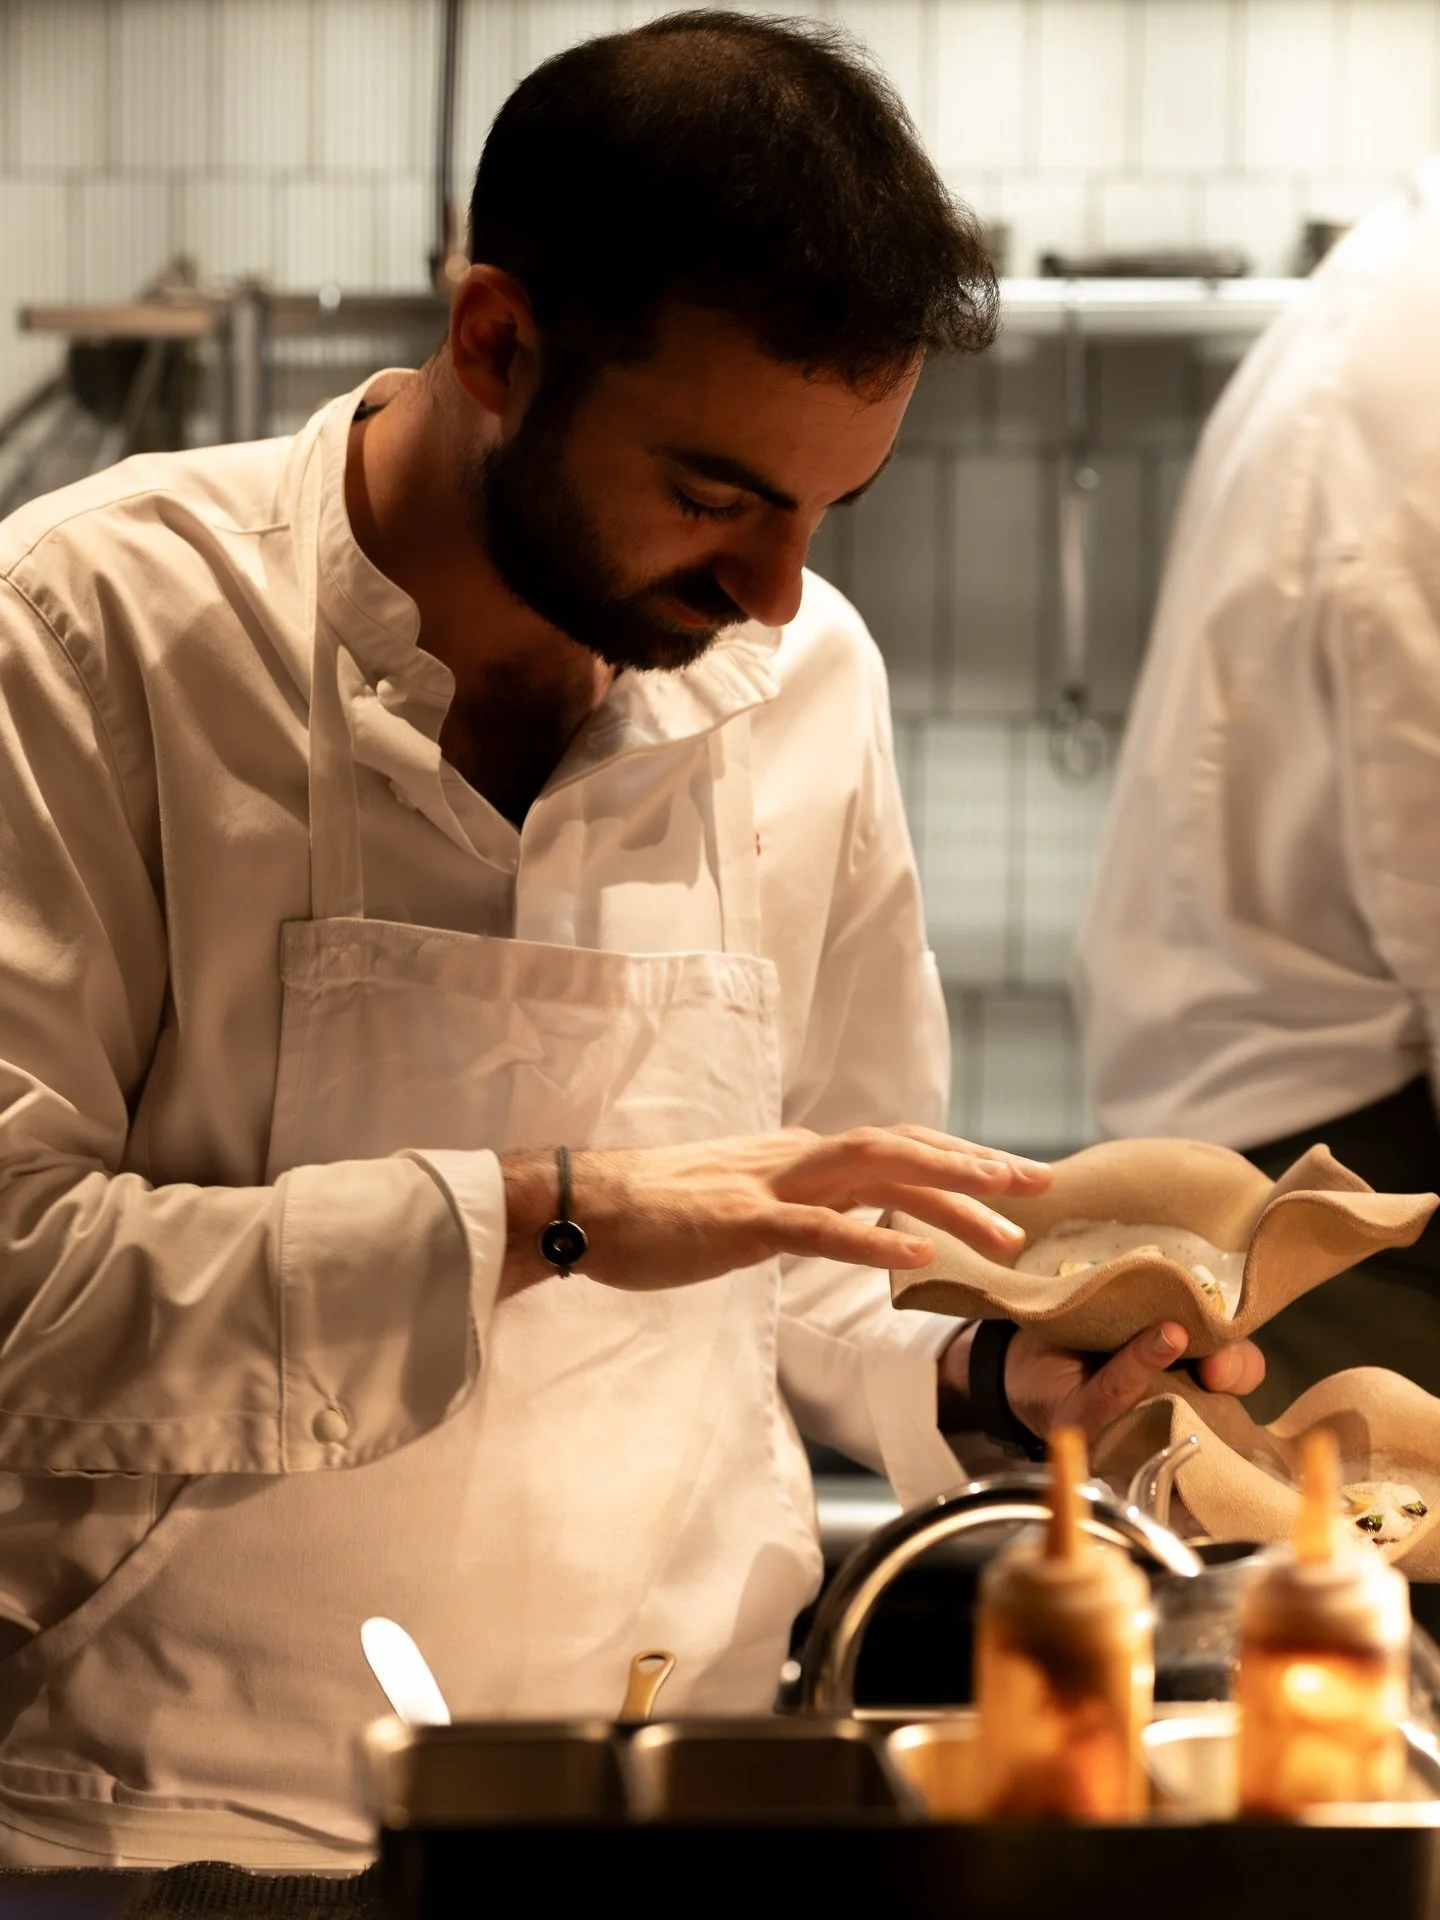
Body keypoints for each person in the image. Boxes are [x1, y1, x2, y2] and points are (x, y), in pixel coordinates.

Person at [0, 12, 1261, 1868]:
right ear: (499, 341)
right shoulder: (88, 633)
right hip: (188, 1829)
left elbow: (828, 1252)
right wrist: (542, 1211)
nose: (776, 589)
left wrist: (992, 1367)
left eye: (831, 508)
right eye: (717, 493)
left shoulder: (805, 674)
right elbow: (23, 1295)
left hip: (667, 1798)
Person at [1075, 161, 1440, 1425]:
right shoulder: (1424, 376)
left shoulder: (1400, 276)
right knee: (1352, 1600)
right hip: (1339, 1194)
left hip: (1302, 1138)